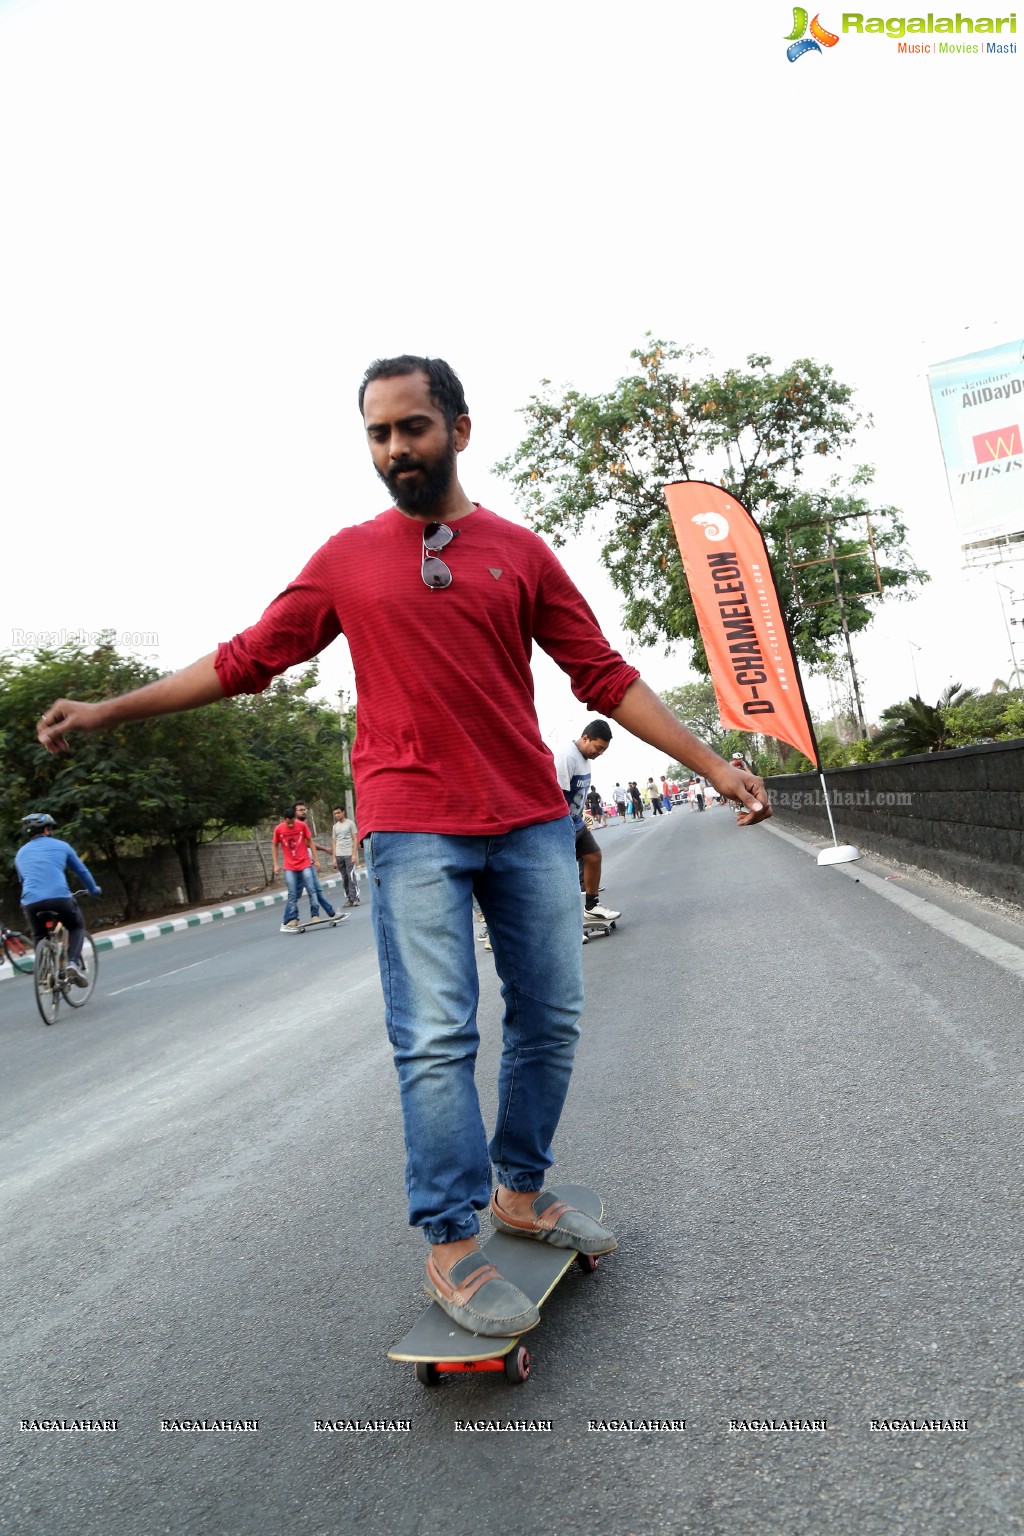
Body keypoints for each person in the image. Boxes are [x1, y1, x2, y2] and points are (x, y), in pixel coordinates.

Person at [35, 353, 770, 1336]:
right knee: (435, 1039)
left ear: (457, 430)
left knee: (550, 1018)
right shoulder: (348, 558)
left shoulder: (519, 551)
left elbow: (602, 674)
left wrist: (714, 765)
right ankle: (451, 1242)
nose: (394, 450)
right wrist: (110, 711)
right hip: (413, 821)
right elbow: (247, 659)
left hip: (526, 818)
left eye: (411, 428)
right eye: (378, 434)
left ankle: (519, 1189)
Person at [15, 813, 101, 984]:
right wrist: (93, 889)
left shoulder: (20, 853)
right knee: (76, 926)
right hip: (60, 899)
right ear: (47, 830)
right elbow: (82, 871)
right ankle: (73, 964)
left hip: (31, 902)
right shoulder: (62, 846)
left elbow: (23, 880)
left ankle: (43, 970)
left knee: (40, 934)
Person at [553, 721, 622, 936]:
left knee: (593, 856)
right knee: (564, 877)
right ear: (585, 738)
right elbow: (558, 796)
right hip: (561, 823)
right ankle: (568, 927)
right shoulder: (567, 757)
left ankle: (592, 907)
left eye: (603, 750)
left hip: (576, 821)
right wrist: (562, 830)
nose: (599, 753)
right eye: (598, 748)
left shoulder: (585, 757)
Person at [272, 806, 331, 931]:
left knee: (312, 889)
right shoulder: (278, 829)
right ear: (284, 819)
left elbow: (310, 842)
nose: (291, 824)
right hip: (289, 866)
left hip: (304, 863)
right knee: (292, 893)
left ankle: (315, 915)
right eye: (289, 822)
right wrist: (276, 864)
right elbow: (275, 846)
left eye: (293, 821)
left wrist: (316, 859)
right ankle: (293, 918)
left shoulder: (301, 825)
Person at [293, 799, 339, 919]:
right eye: (301, 810)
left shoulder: (302, 825)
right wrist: (325, 849)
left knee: (317, 889)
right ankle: (291, 917)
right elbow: (307, 843)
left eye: (305, 809)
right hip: (299, 865)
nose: (304, 812)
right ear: (294, 812)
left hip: (308, 862)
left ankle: (331, 913)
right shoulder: (295, 826)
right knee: (296, 893)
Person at [330, 805, 361, 906]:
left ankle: (355, 898)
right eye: (335, 814)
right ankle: (349, 898)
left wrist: (354, 854)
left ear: (343, 812)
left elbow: (355, 839)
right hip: (339, 855)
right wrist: (334, 858)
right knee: (344, 878)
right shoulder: (335, 827)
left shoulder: (350, 824)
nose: (337, 815)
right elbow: (334, 842)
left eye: (338, 813)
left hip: (349, 853)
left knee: (351, 876)